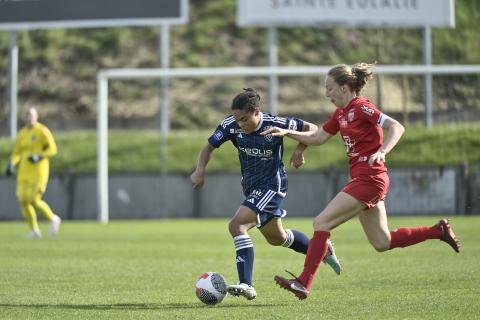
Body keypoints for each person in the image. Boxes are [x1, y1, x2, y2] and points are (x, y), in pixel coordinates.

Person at [261, 63, 461, 300]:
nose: (327, 94)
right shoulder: (341, 113)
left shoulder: (362, 107)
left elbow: (396, 127)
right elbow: (319, 136)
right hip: (365, 179)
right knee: (381, 242)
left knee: (321, 222)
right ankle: (438, 231)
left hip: (370, 179)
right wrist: (286, 133)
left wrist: (383, 150)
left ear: (345, 87)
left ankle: (304, 282)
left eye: (330, 88)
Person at [190, 88, 342, 301]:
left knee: (237, 226)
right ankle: (323, 250)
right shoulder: (230, 125)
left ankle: (246, 284)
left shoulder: (275, 123)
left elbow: (312, 128)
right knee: (277, 238)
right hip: (252, 188)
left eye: (244, 119)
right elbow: (209, 147)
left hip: (273, 185)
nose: (240, 124)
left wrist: (299, 150)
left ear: (256, 111)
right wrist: (199, 170)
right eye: (237, 119)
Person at [5, 107, 61, 238]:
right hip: (24, 171)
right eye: (26, 115)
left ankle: (53, 218)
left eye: (30, 115)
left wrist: (39, 156)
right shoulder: (21, 134)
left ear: (36, 116)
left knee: (34, 199)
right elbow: (17, 153)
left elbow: (53, 149)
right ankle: (34, 229)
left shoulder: (42, 131)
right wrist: (11, 164)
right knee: (23, 200)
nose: (28, 117)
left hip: (39, 171)